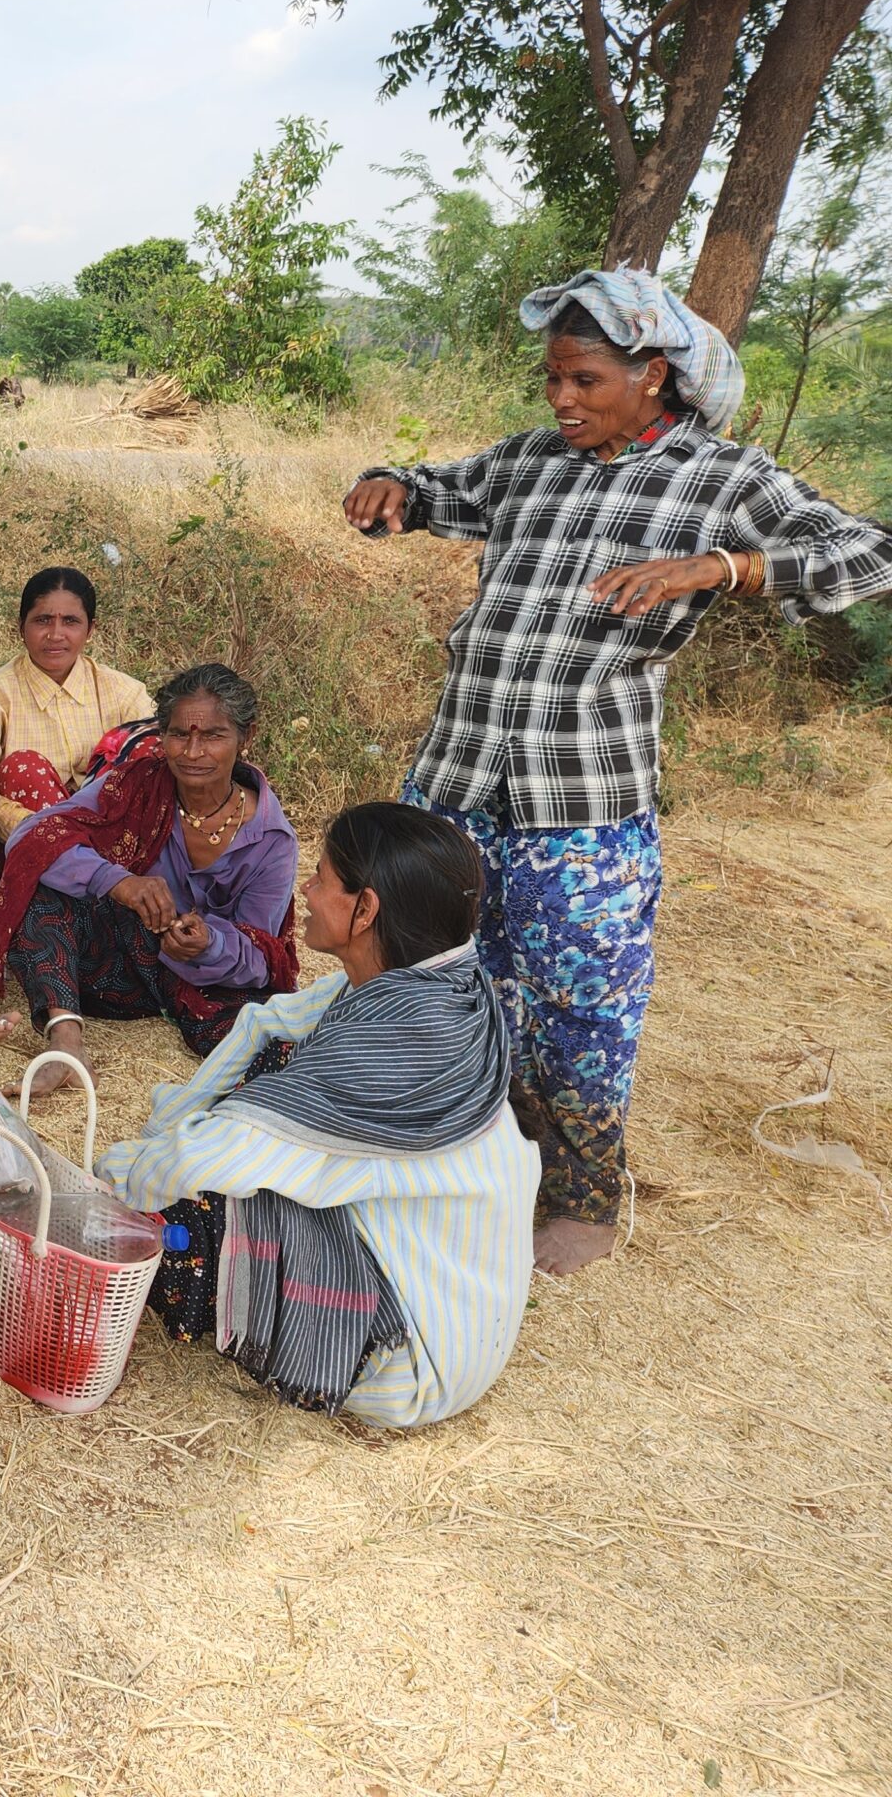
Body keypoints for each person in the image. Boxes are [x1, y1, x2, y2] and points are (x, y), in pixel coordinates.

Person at [344, 267, 892, 1276]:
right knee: (437, 982)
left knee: (578, 1010)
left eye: (583, 380)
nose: (560, 400)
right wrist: (390, 487)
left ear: (652, 376)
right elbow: (438, 490)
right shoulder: (529, 463)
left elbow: (869, 553)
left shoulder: (721, 479)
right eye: (552, 379)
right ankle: (455, 1159)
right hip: (457, 779)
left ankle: (584, 1199)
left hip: (582, 808)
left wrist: (719, 567)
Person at [96, 803, 538, 1427]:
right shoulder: (435, 984)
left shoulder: (393, 1045)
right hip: (459, 1327)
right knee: (273, 1071)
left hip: (404, 1365)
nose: (307, 888)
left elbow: (205, 1158)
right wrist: (172, 1128)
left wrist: (109, 1186)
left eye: (324, 877)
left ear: (366, 910)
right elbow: (266, 1023)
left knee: (184, 1218)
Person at [0, 664, 297, 1095]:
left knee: (272, 1037)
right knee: (42, 883)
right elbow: (31, 835)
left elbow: (262, 954)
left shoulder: (270, 838)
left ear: (247, 737)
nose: (191, 751)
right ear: (161, 734)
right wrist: (118, 882)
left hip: (196, 983)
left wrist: (208, 943)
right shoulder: (137, 783)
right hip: (105, 971)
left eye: (212, 736)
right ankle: (66, 1044)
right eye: (178, 734)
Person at [0, 566, 156, 841]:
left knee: (148, 749)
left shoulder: (125, 693)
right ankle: (80, 873)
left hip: (110, 840)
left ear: (90, 629)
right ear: (21, 627)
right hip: (27, 843)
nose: (55, 634)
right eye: (42, 620)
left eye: (70, 621)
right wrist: (45, 831)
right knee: (24, 768)